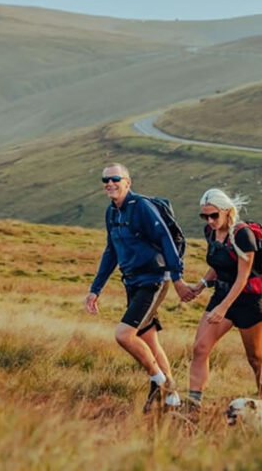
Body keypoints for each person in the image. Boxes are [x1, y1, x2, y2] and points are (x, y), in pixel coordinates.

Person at [84, 162, 194, 413]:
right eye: (105, 180)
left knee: (124, 335)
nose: (109, 184)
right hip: (132, 281)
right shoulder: (112, 212)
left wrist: (177, 278)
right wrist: (95, 289)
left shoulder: (141, 207)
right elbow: (111, 251)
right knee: (149, 340)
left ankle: (159, 382)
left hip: (153, 280)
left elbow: (166, 238)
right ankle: (172, 399)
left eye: (115, 179)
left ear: (127, 182)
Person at [186, 188, 262, 411]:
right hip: (222, 295)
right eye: (205, 216)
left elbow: (242, 278)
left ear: (227, 212)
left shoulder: (243, 235)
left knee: (255, 358)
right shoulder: (210, 232)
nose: (210, 220)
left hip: (248, 302)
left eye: (214, 215)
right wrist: (201, 285)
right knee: (200, 348)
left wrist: (223, 308)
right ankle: (193, 403)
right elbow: (218, 265)